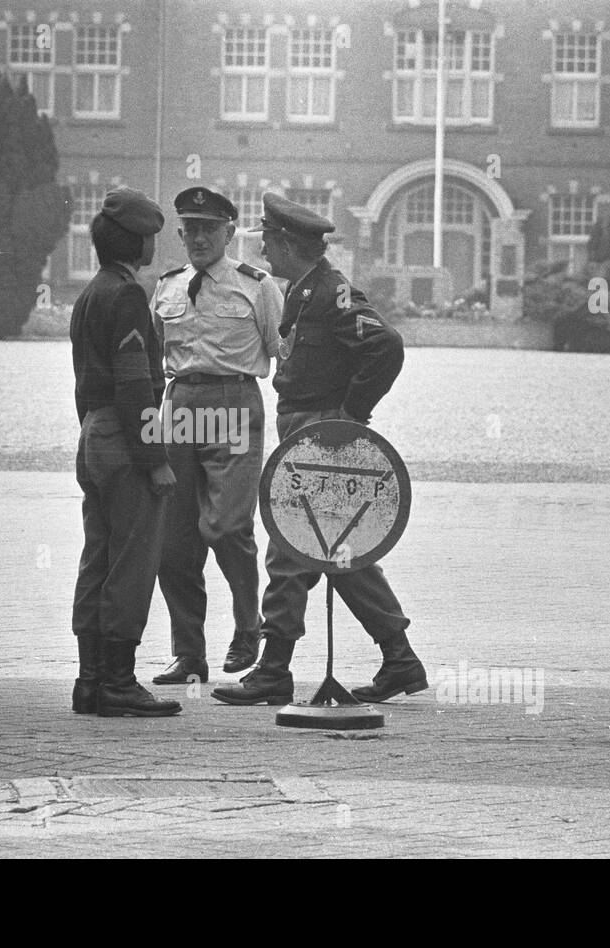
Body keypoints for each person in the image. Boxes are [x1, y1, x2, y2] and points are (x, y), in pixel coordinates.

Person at [212, 192, 428, 707]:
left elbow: (386, 345)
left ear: (287, 243)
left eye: (269, 236)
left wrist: (350, 414)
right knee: (337, 550)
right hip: (305, 432)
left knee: (291, 546)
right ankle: (400, 659)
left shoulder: (330, 293)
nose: (263, 244)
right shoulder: (305, 291)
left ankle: (273, 669)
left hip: (319, 434)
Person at [149, 186, 285, 685]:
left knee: (226, 526)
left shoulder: (257, 285)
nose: (199, 237)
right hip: (179, 405)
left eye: (210, 228)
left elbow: (280, 351)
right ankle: (188, 654)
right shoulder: (166, 286)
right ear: (180, 233)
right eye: (191, 228)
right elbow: (150, 361)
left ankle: (249, 627)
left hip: (234, 403)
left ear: (229, 232)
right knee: (174, 540)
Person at [69, 186, 181, 717]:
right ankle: (118, 682)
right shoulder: (130, 295)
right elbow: (136, 386)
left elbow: (84, 384)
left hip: (92, 434)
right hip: (124, 436)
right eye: (151, 236)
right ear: (135, 240)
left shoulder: (91, 293)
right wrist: (153, 458)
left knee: (97, 558)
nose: (154, 245)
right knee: (132, 561)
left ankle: (90, 681)